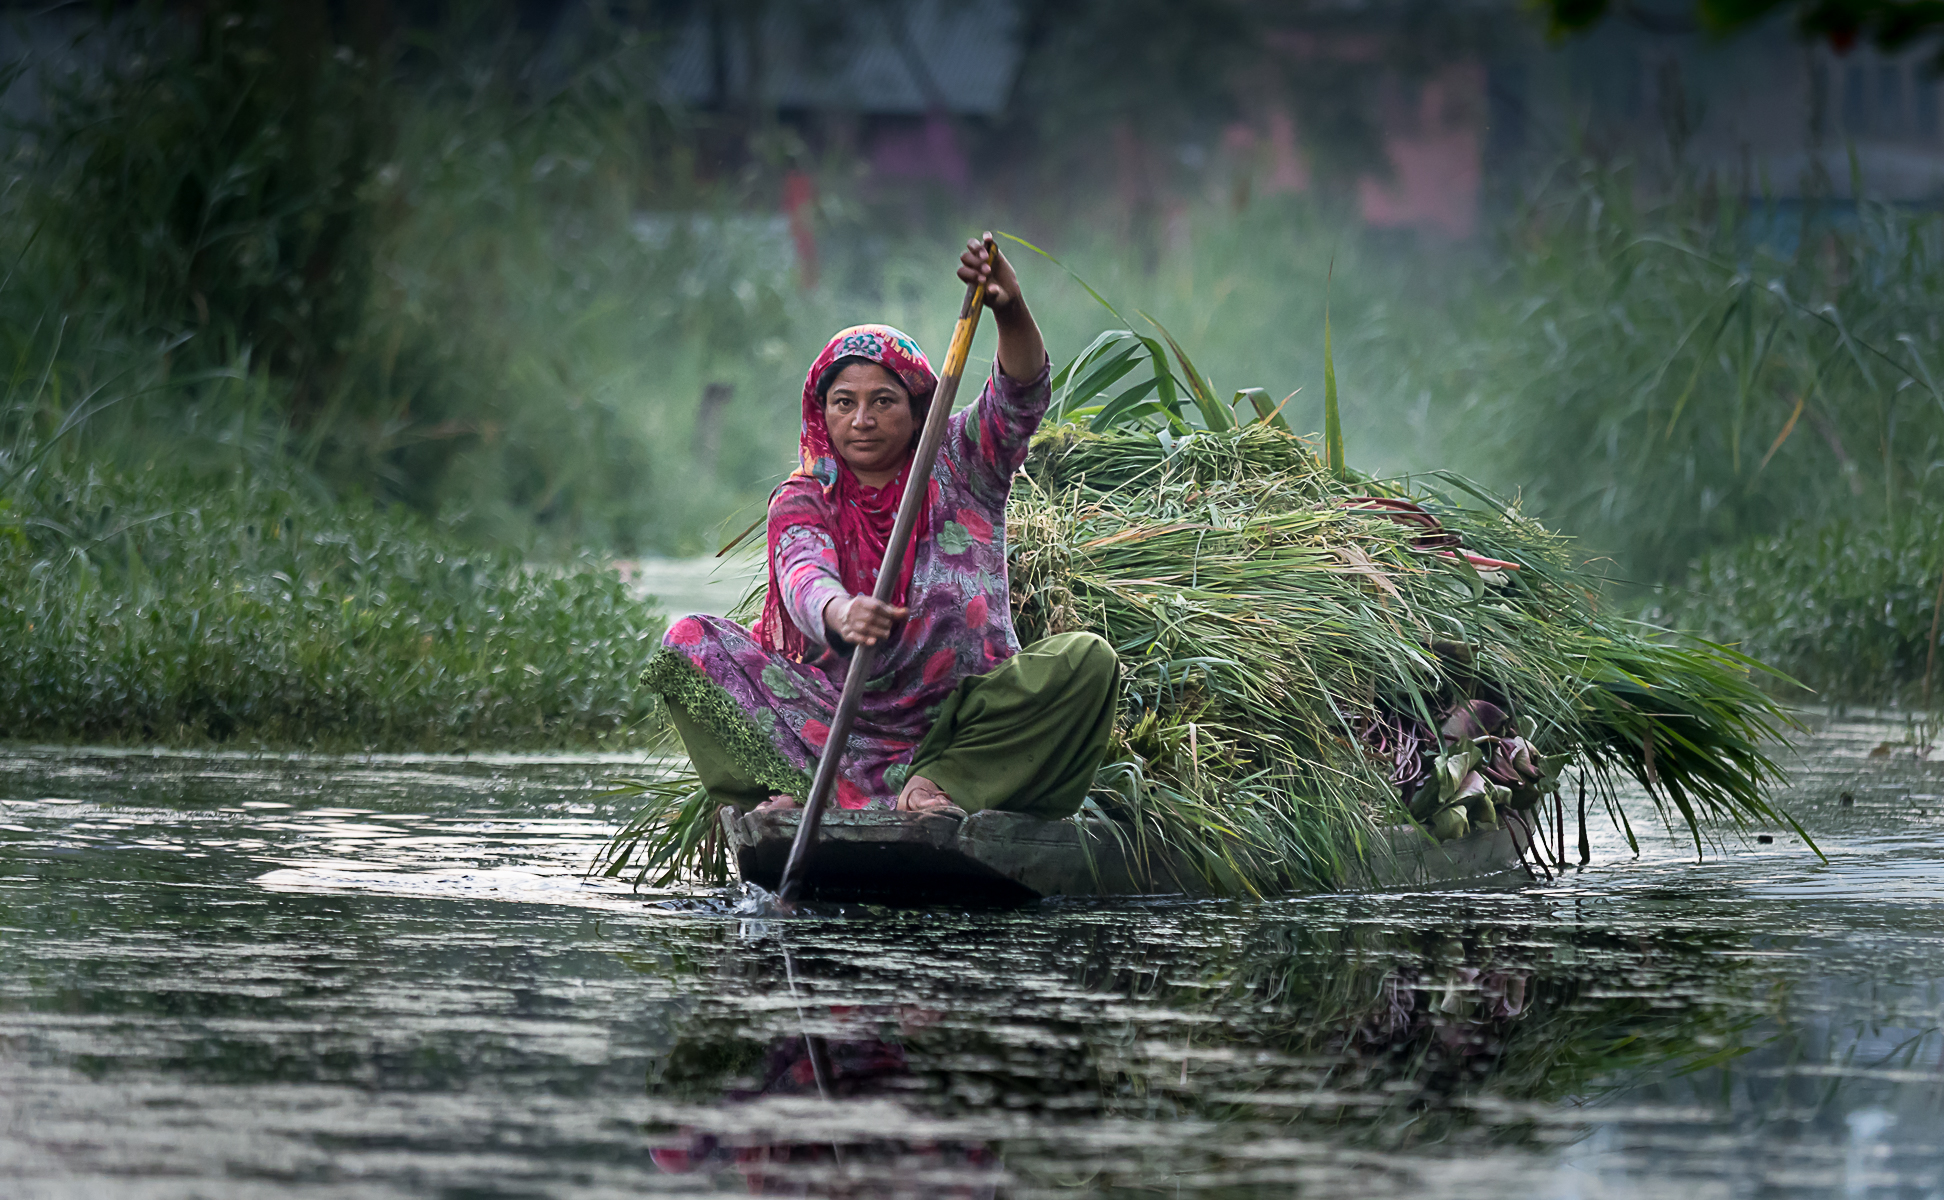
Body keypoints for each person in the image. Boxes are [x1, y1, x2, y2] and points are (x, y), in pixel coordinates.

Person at [642, 236, 1119, 818]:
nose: (861, 421)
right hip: (837, 725)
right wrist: (841, 613)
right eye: (843, 403)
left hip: (963, 719)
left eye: (883, 402)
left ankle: (938, 786)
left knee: (1087, 661)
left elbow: (1019, 395)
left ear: (918, 408)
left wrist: (1009, 308)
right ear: (823, 413)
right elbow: (803, 574)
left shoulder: (963, 459)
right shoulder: (804, 495)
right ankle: (784, 785)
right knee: (688, 643)